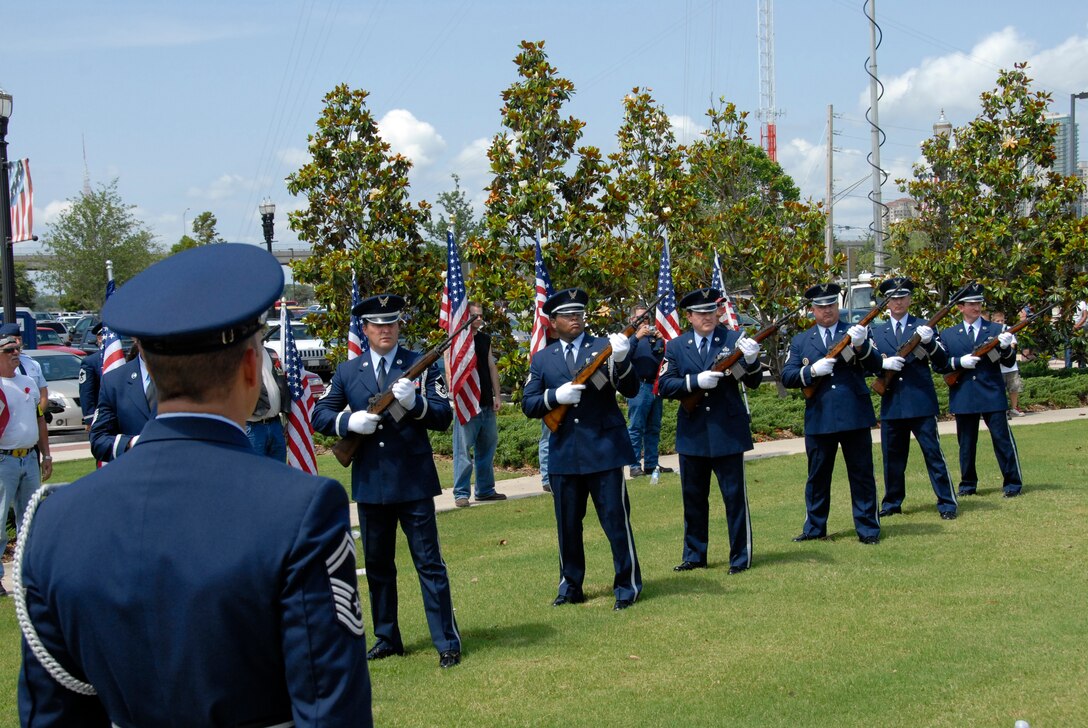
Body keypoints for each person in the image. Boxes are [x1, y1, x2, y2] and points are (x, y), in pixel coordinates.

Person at [17, 243, 371, 725]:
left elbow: (49, 714)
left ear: (150, 372)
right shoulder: (299, 510)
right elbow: (331, 710)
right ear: (251, 368)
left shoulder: (55, 519)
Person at [312, 293, 462, 668]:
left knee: (429, 564)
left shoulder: (420, 365)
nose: (386, 330)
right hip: (371, 481)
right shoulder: (350, 371)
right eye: (378, 325)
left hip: (412, 480)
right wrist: (348, 423)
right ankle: (386, 638)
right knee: (379, 566)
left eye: (392, 323)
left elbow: (443, 415)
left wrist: (417, 405)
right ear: (365, 329)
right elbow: (319, 413)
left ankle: (446, 640)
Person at [522, 287, 643, 610]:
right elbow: (529, 403)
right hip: (564, 453)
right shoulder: (543, 359)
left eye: (578, 314)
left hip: (603, 449)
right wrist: (555, 397)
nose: (575, 319)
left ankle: (627, 585)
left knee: (616, 522)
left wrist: (621, 359)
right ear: (552, 322)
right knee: (568, 526)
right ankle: (570, 585)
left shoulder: (603, 347)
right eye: (567, 315)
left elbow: (631, 389)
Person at [656, 287, 764, 573]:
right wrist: (694, 382)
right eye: (700, 313)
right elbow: (665, 386)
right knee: (693, 499)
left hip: (727, 430)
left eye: (711, 311)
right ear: (689, 316)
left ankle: (740, 557)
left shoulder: (732, 339)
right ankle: (694, 555)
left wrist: (752, 362)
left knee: (734, 499)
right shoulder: (676, 347)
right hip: (693, 433)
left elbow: (749, 381)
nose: (708, 317)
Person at [782, 283, 883, 544]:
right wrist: (812, 372)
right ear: (812, 310)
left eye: (831, 305)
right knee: (817, 476)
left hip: (854, 413)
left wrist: (862, 347)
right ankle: (815, 528)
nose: (827, 310)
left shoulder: (856, 331)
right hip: (820, 415)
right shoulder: (802, 340)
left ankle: (868, 528)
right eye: (821, 306)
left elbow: (877, 366)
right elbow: (788, 376)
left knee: (861, 474)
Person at [869, 277, 958, 520]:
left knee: (933, 454)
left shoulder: (924, 326)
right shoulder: (876, 330)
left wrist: (929, 343)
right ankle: (892, 502)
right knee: (892, 458)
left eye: (902, 297)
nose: (898, 302)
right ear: (886, 303)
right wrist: (882, 364)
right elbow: (868, 365)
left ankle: (947, 502)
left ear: (910, 300)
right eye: (893, 298)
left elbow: (941, 362)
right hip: (892, 401)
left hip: (920, 400)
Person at [938, 282, 1023, 498]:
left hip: (991, 392)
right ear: (960, 307)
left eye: (979, 303)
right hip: (964, 393)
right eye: (971, 304)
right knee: (966, 444)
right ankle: (967, 483)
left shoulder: (996, 330)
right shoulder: (948, 334)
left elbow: (1009, 360)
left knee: (1002, 440)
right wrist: (958, 362)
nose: (976, 307)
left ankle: (1012, 482)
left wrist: (1004, 348)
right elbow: (940, 364)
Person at [0, 334, 52, 598]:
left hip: (29, 458)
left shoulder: (28, 382)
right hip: (3, 459)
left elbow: (40, 421)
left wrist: (47, 455)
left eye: (17, 348)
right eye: (9, 349)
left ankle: (27, 575)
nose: (15, 353)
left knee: (30, 519)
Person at [447, 301, 506, 507]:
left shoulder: (484, 339)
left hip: (486, 403)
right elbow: (450, 368)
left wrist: (497, 396)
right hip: (466, 403)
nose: (479, 319)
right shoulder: (456, 340)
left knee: (487, 449)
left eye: (481, 315)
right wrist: (454, 396)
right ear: (466, 317)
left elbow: (491, 367)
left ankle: (485, 490)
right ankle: (461, 493)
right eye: (475, 315)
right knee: (463, 450)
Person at [624, 304, 674, 478]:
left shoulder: (654, 337)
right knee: (636, 427)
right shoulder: (629, 338)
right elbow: (623, 357)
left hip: (655, 386)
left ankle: (651, 464)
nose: (644, 322)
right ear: (632, 320)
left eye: (646, 318)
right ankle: (634, 465)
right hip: (638, 386)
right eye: (639, 318)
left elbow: (660, 357)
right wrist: (636, 337)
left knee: (653, 427)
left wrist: (660, 340)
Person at [88, 341, 157, 462]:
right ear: (135, 337)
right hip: (135, 472)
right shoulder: (115, 381)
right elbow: (99, 439)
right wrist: (131, 443)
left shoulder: (189, 376)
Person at [245, 340, 290, 461]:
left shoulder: (271, 353)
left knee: (279, 472)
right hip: (253, 427)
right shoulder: (239, 356)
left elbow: (282, 383)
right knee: (255, 472)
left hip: (275, 424)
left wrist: (288, 415)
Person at [0, 322, 48, 406]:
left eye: (20, 339)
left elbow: (43, 392)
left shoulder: (32, 363)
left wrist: (39, 416)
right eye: (15, 339)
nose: (18, 342)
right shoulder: (4, 366)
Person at [989, 311, 1024, 418]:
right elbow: (989, 350)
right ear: (992, 321)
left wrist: (1005, 351)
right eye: (997, 321)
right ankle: (1001, 409)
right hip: (997, 367)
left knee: (1014, 388)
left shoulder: (1008, 330)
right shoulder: (990, 330)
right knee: (999, 389)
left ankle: (1014, 408)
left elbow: (1013, 346)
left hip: (1011, 367)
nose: (1000, 322)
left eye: (1002, 320)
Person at [78, 322, 105, 429]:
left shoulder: (124, 359)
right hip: (102, 416)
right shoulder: (90, 362)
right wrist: (90, 418)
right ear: (99, 338)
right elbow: (86, 392)